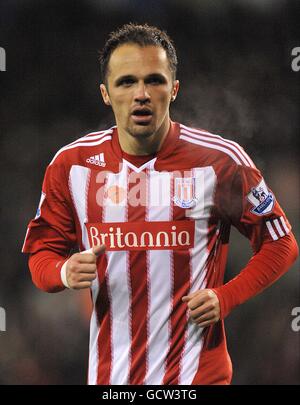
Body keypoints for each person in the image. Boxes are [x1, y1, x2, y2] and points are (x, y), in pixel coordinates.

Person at [22, 23, 298, 385]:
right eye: (126, 82)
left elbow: (281, 243)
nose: (142, 94)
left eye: (154, 80)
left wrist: (226, 296)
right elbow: (42, 253)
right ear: (106, 94)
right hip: (111, 382)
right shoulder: (71, 165)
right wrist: (63, 272)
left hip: (198, 378)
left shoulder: (220, 161)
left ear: (174, 89)